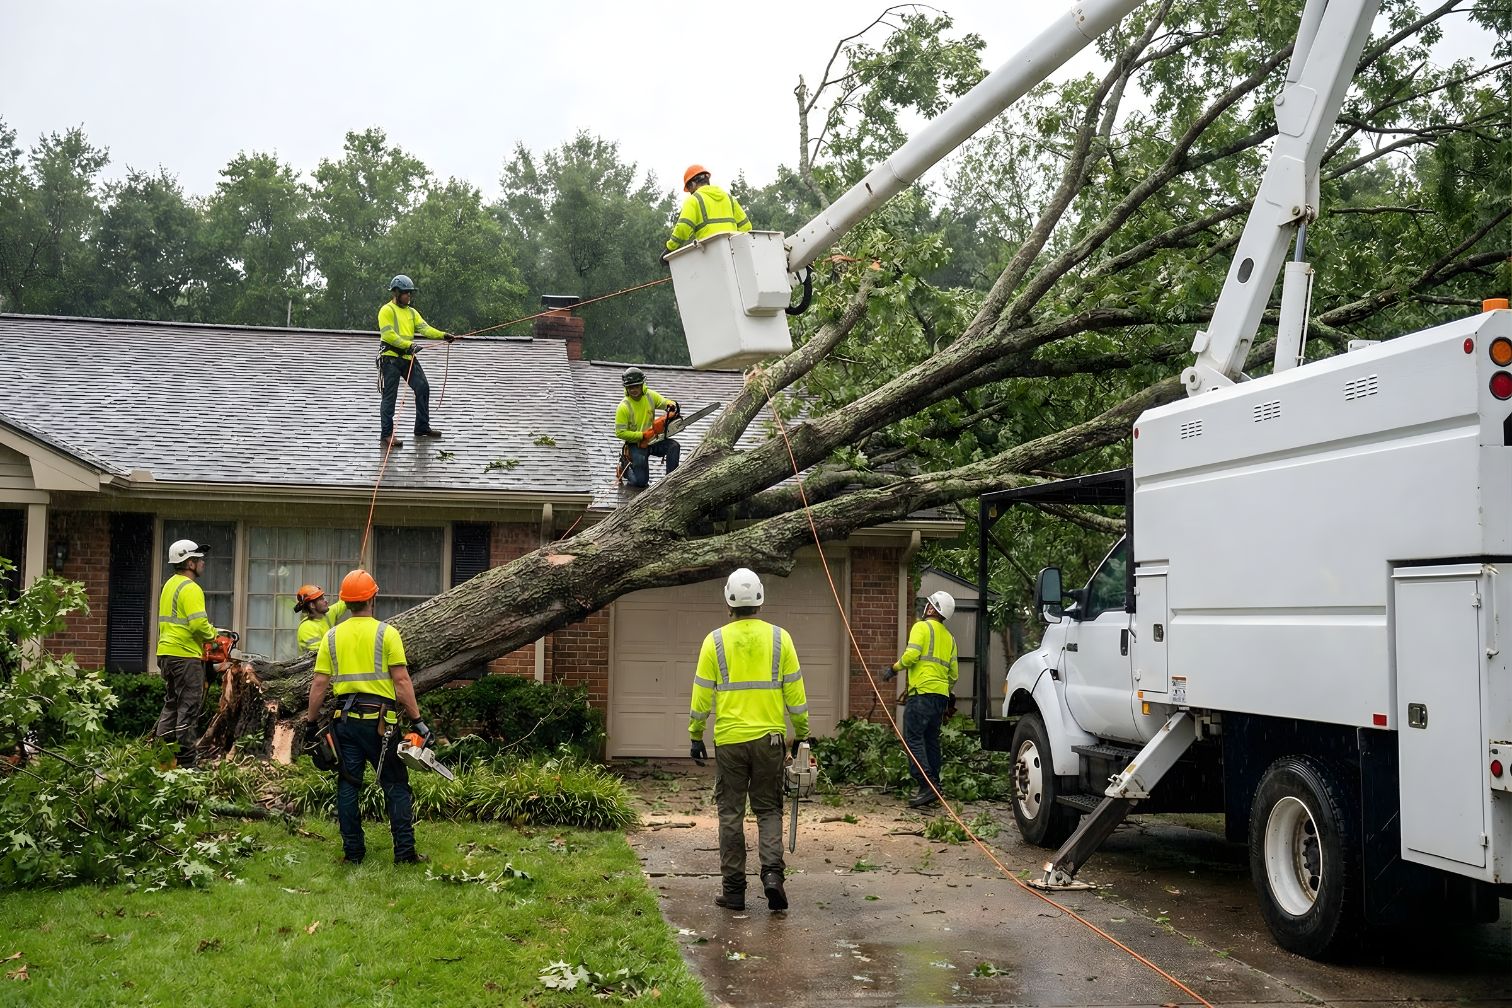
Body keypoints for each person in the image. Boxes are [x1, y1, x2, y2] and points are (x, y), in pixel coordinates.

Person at [689, 568, 809, 913]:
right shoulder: (780, 639)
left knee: (731, 813)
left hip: (730, 741)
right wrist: (802, 734)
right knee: (768, 809)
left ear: (728, 601)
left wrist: (695, 735)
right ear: (760, 600)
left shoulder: (714, 642)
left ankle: (734, 891)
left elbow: (701, 695)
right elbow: (796, 693)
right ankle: (772, 876)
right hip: (770, 740)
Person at [302, 569, 434, 865]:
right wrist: (418, 721)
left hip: (345, 722)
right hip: (380, 724)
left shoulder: (331, 637)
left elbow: (319, 684)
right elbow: (401, 681)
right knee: (395, 784)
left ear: (346, 602)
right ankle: (404, 853)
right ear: (373, 597)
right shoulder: (387, 633)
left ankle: (353, 854)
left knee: (348, 784)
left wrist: (310, 723)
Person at [882, 590, 959, 809]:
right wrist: (943, 691)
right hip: (940, 697)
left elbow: (911, 656)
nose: (926, 607)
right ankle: (935, 786)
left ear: (932, 608)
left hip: (921, 694)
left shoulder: (921, 627)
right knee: (931, 740)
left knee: (913, 739)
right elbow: (954, 674)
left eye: (929, 604)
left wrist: (893, 669)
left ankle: (927, 786)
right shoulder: (950, 638)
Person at [154, 539, 217, 768]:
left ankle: (162, 760)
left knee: (172, 705)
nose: (203, 563)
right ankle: (187, 764)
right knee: (189, 707)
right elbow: (198, 625)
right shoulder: (191, 588)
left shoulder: (169, 585)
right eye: (199, 559)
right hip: (185, 655)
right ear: (190, 563)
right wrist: (214, 637)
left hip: (166, 653)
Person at [377, 274, 455, 449]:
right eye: (406, 293)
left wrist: (443, 335)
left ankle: (421, 427)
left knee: (423, 387)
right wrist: (409, 345)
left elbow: (425, 329)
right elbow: (388, 335)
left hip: (407, 358)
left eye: (410, 293)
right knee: (390, 397)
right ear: (396, 293)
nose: (409, 296)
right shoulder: (386, 310)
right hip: (390, 359)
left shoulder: (412, 312)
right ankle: (387, 434)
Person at [615, 366, 681, 488]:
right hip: (636, 444)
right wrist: (642, 435)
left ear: (642, 384)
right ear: (626, 387)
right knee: (640, 482)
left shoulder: (650, 395)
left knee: (673, 446)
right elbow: (620, 432)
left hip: (653, 439)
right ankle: (624, 469)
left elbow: (663, 402)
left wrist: (670, 404)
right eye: (630, 387)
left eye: (636, 386)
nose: (634, 390)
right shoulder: (623, 407)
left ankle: (671, 479)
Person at [665, 165, 751, 253]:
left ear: (692, 184)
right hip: (733, 251)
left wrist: (670, 248)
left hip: (709, 254)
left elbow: (683, 228)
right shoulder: (729, 198)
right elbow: (746, 227)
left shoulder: (694, 200)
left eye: (689, 188)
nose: (690, 192)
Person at [293, 584, 347, 654]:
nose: (326, 601)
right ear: (312, 605)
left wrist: (348, 587)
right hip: (317, 661)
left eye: (324, 598)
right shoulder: (307, 627)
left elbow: (342, 603)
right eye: (321, 599)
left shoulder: (327, 615)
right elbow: (318, 654)